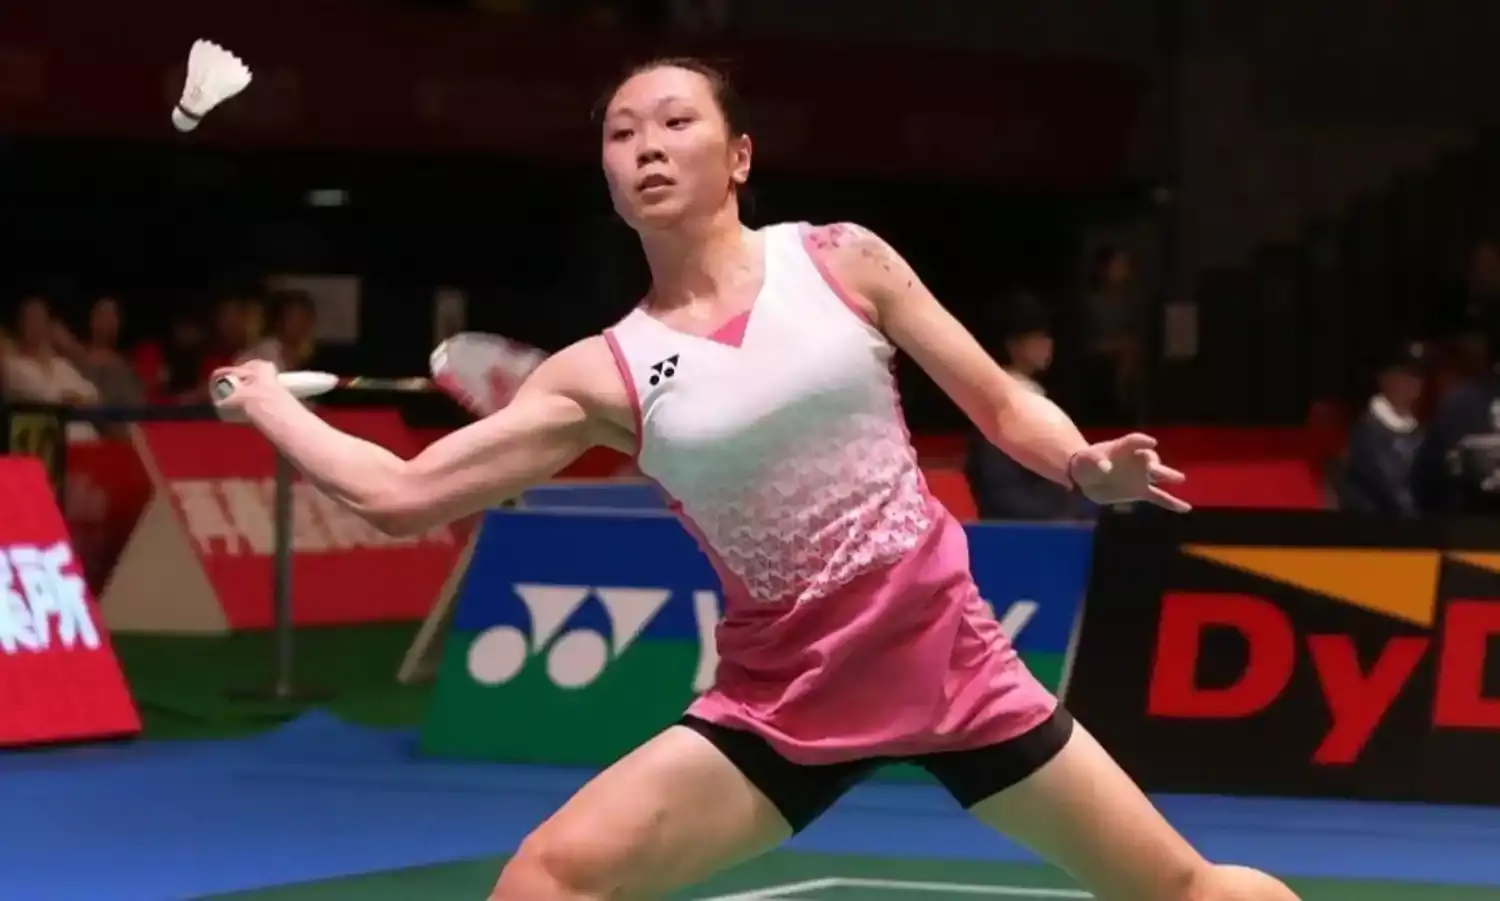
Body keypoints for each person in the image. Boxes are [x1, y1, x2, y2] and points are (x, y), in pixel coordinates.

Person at [211, 59, 1297, 901]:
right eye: (621, 133)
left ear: (738, 156)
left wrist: (1079, 461)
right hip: (786, 699)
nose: (646, 145)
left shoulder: (839, 259)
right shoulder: (602, 372)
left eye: (675, 122)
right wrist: (266, 400)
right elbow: (399, 496)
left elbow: (1002, 403)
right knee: (549, 878)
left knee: (1182, 887)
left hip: (949, 663)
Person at [966, 293, 1093, 521]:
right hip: (1020, 531)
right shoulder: (997, 402)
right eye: (1039, 337)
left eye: (1048, 336)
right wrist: (1064, 519)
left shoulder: (1036, 397)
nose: (1048, 344)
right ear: (1013, 344)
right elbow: (1001, 490)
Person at [1334, 341, 1424, 515]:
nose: (1414, 382)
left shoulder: (1419, 432)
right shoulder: (1367, 431)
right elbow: (1391, 491)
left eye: (1418, 375)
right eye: (1407, 375)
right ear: (1384, 377)